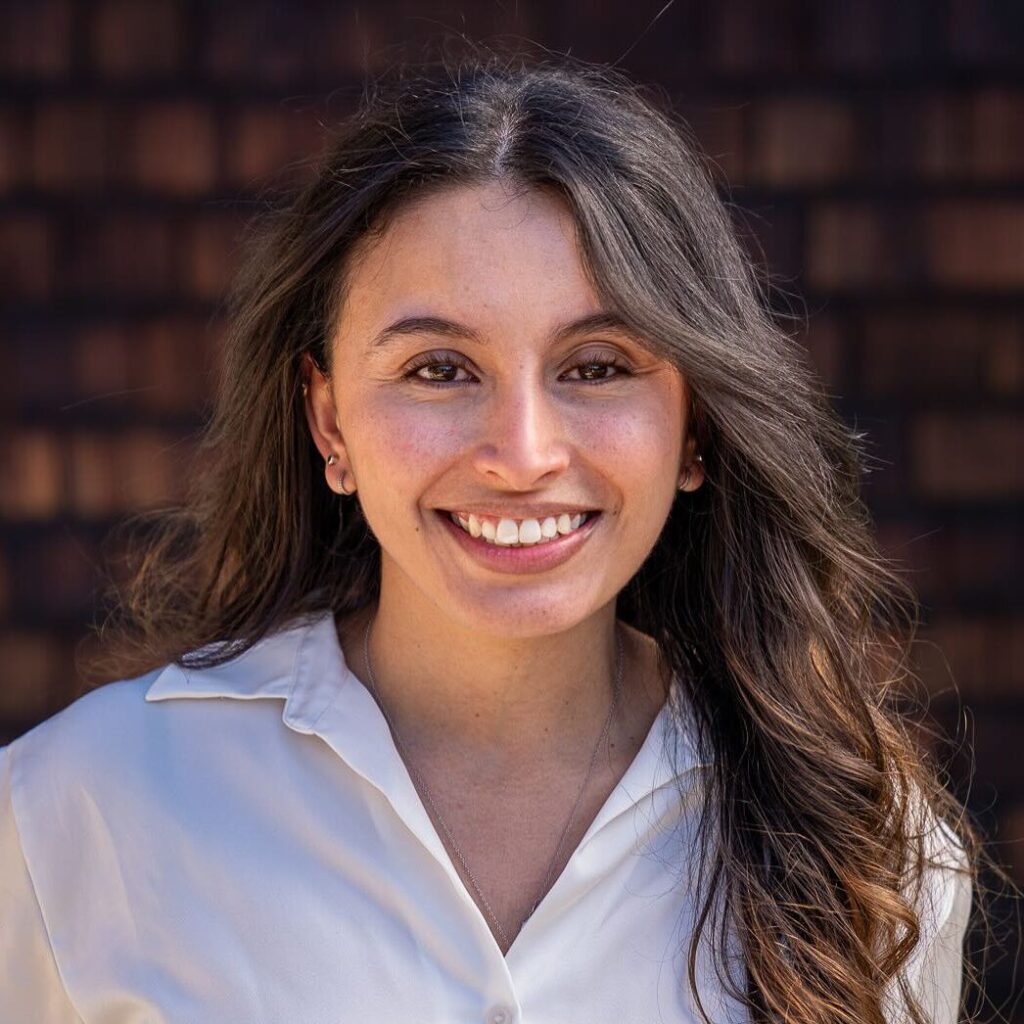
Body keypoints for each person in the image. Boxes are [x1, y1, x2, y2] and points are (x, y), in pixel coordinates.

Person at [0, 52, 979, 1023]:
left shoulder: (869, 847)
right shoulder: (77, 808)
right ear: (328, 419)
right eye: (437, 368)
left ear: (695, 425)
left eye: (596, 366)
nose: (521, 452)